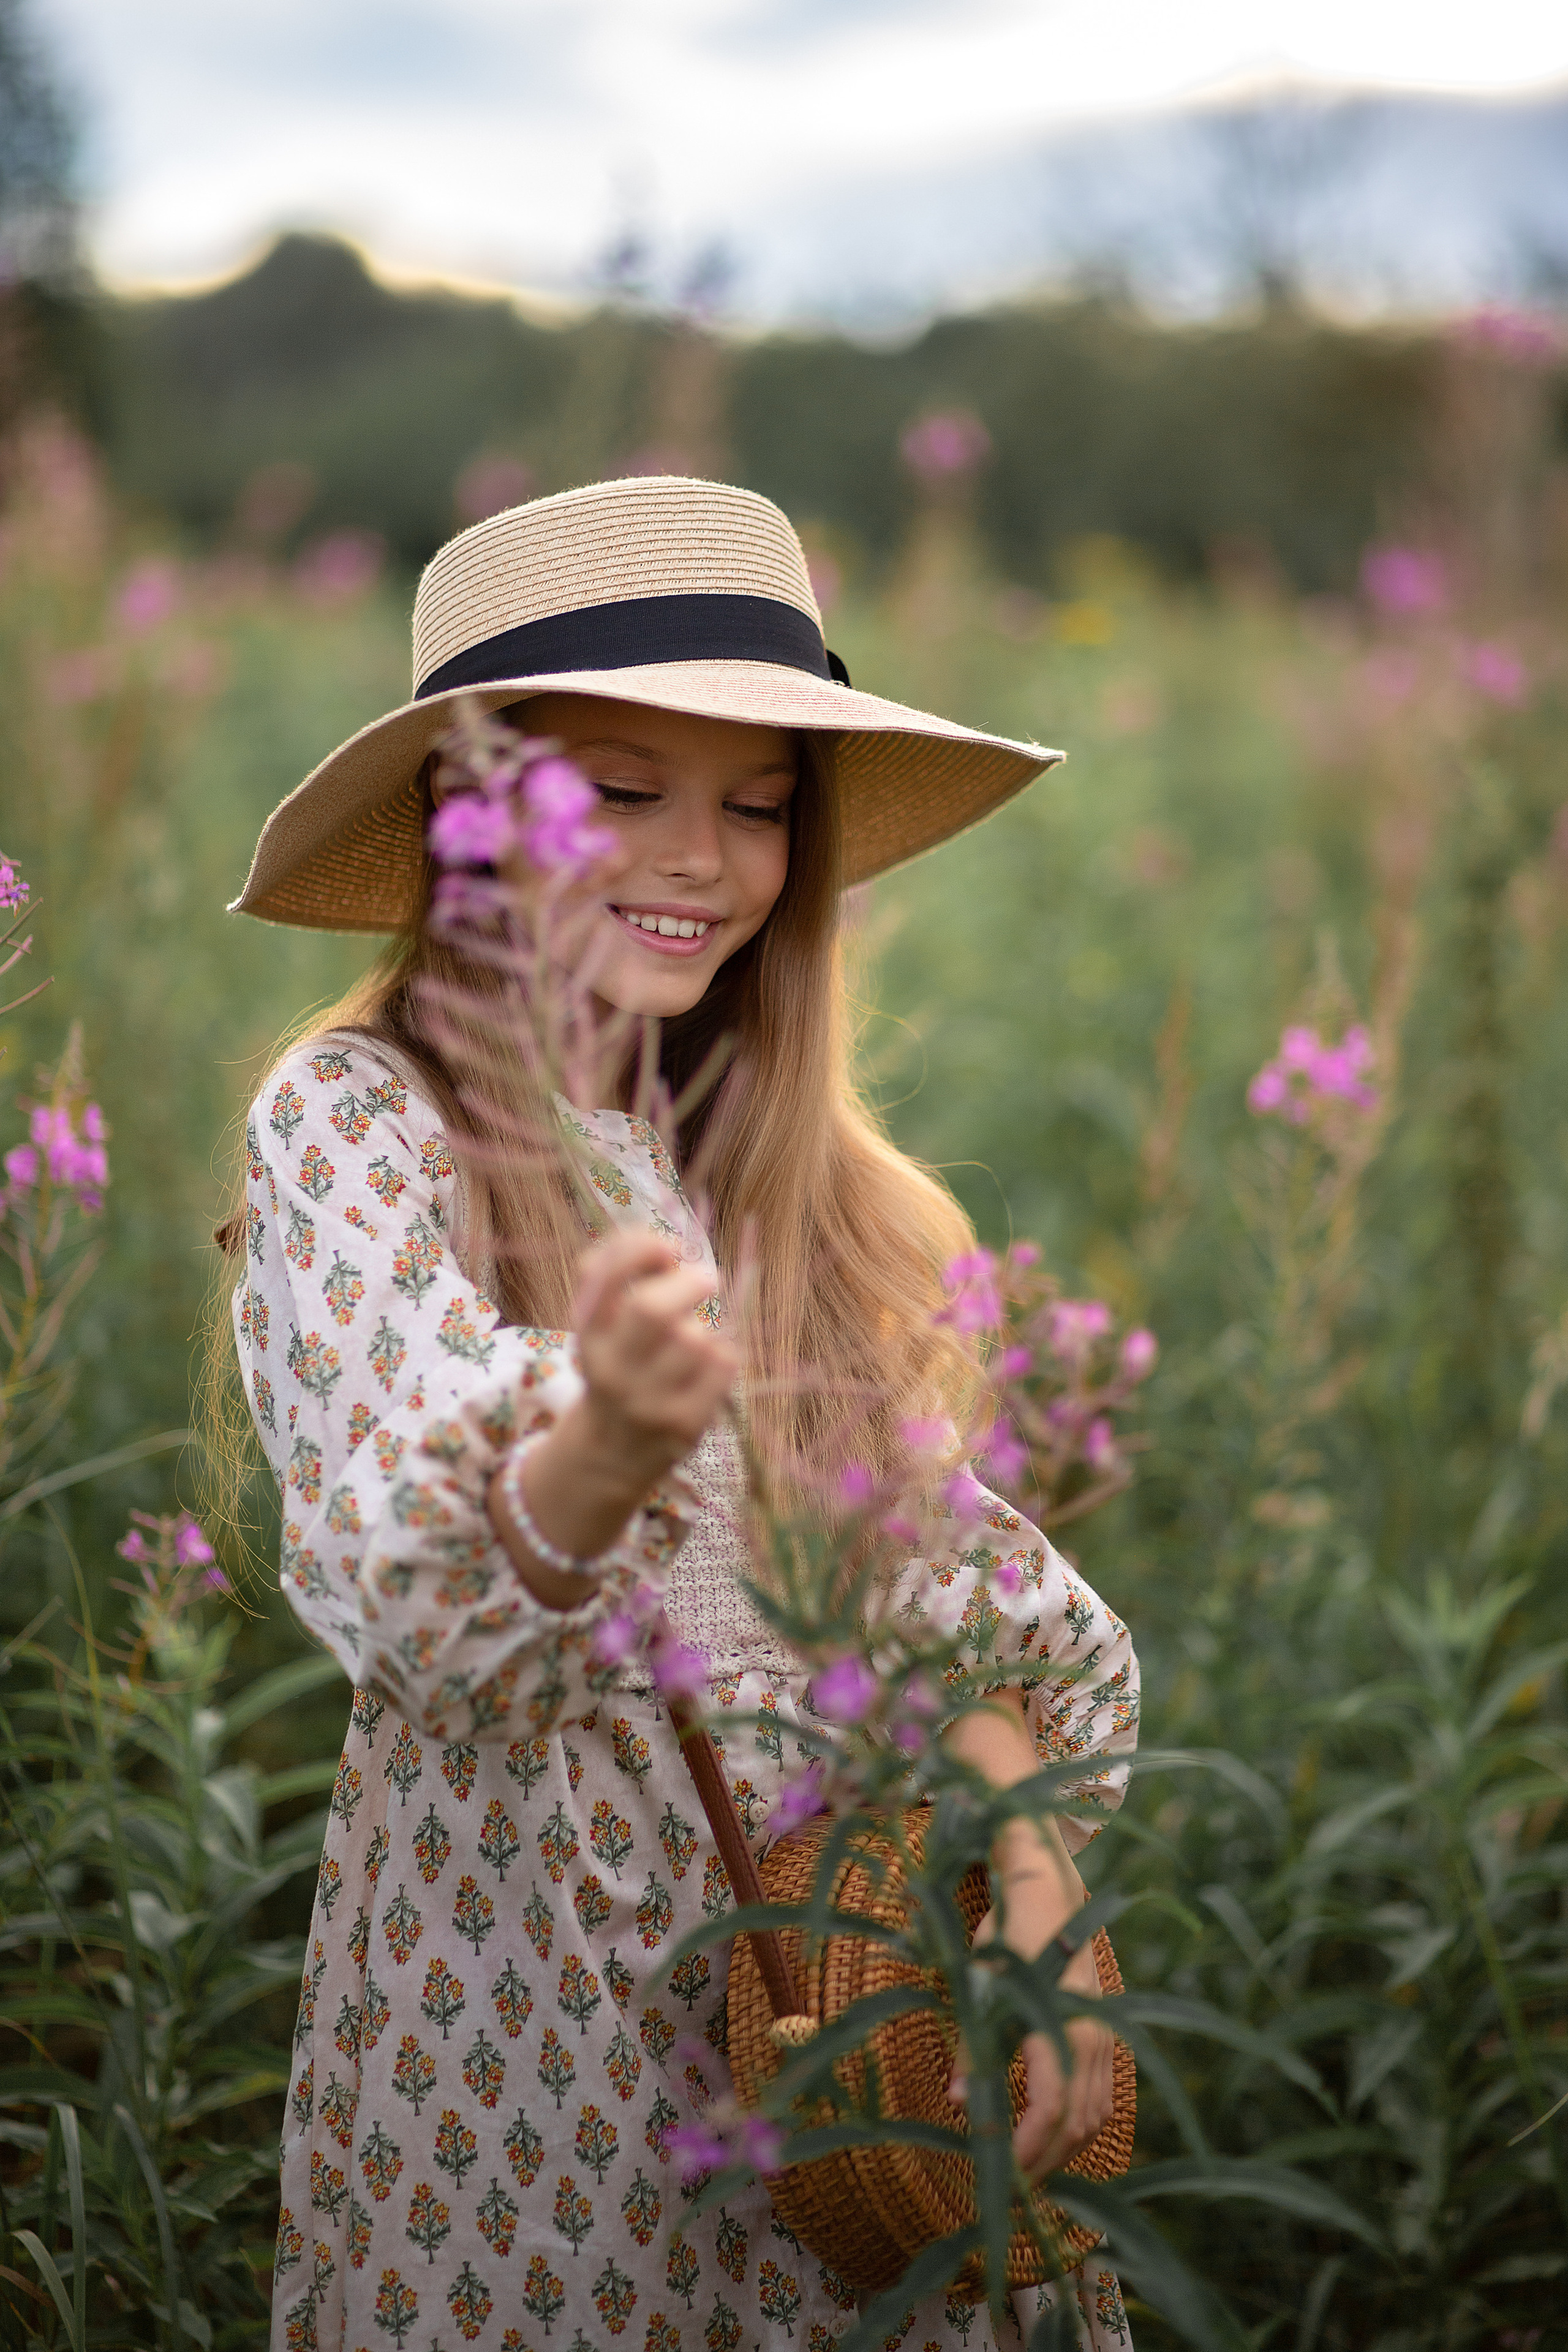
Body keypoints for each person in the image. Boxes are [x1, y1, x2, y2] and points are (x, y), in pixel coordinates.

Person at [220, 475, 1139, 2350]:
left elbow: (943, 1603)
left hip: (851, 1985)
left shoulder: (775, 1172)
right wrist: (603, 1441)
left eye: (760, 805)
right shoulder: (360, 1125)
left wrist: (1029, 1868)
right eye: (623, 792)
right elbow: (408, 1578)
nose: (702, 861)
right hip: (537, 2022)